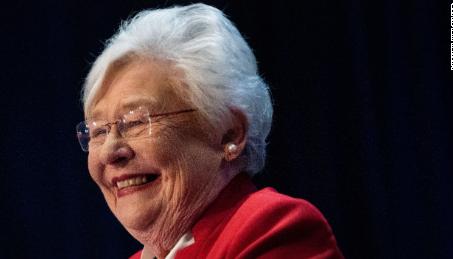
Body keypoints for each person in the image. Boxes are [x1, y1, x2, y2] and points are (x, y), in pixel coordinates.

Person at [76, 3, 344, 259]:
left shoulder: (269, 229)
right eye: (98, 131)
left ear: (230, 134)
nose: (110, 152)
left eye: (135, 121)